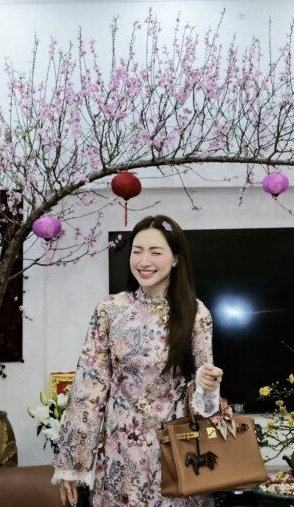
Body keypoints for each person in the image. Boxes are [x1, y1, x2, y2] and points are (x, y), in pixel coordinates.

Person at [53, 215, 224, 507]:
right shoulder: (110, 310)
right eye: (137, 251)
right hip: (118, 459)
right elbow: (89, 389)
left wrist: (207, 387)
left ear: (175, 259)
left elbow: (202, 408)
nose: (145, 261)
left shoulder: (196, 314)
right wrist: (72, 465)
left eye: (156, 252)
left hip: (175, 460)